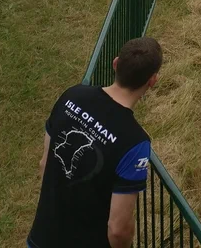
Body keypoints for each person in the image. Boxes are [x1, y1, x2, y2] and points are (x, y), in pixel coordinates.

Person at [27, 37, 161, 248]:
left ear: (116, 63)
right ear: (152, 81)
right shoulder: (136, 143)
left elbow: (45, 164)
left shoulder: (72, 96)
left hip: (42, 237)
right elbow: (118, 229)